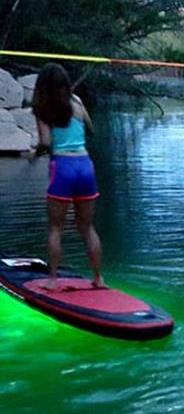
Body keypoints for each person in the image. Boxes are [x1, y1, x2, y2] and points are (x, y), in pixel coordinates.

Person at [32, 63, 103, 291]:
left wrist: (38, 152)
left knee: (55, 228)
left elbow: (45, 142)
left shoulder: (43, 108)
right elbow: (90, 130)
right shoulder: (78, 102)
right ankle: (98, 278)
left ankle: (53, 280)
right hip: (85, 165)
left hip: (62, 167)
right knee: (87, 227)